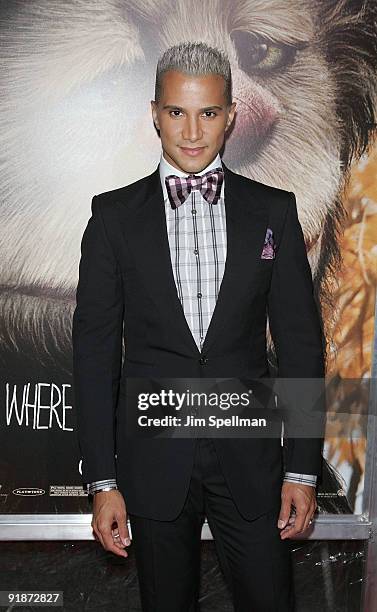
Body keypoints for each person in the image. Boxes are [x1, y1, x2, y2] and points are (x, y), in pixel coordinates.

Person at [72, 41, 326, 612]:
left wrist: (303, 470)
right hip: (154, 463)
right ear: (155, 112)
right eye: (177, 112)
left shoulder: (274, 212)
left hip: (251, 464)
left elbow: (302, 347)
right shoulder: (113, 218)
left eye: (208, 113)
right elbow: (93, 357)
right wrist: (103, 481)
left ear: (232, 115)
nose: (192, 131)